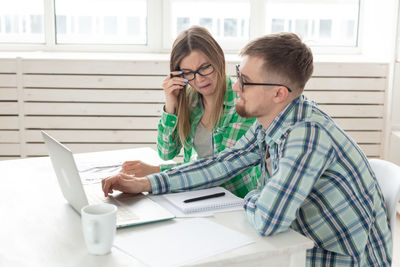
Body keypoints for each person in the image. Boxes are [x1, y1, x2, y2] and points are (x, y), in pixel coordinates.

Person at [102, 32, 392, 266]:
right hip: (301, 239)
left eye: (246, 81)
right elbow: (222, 163)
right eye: (240, 74)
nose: (236, 86)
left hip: (334, 257)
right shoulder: (271, 121)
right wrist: (146, 184)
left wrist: (255, 196)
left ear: (279, 93)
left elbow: (269, 220)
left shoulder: (307, 134)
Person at [119, 26, 259, 198]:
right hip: (194, 197)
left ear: (218, 59)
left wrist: (156, 172)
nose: (199, 79)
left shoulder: (240, 104)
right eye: (188, 73)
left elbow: (219, 170)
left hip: (234, 199)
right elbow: (166, 152)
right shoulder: (191, 100)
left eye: (205, 67)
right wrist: (171, 103)